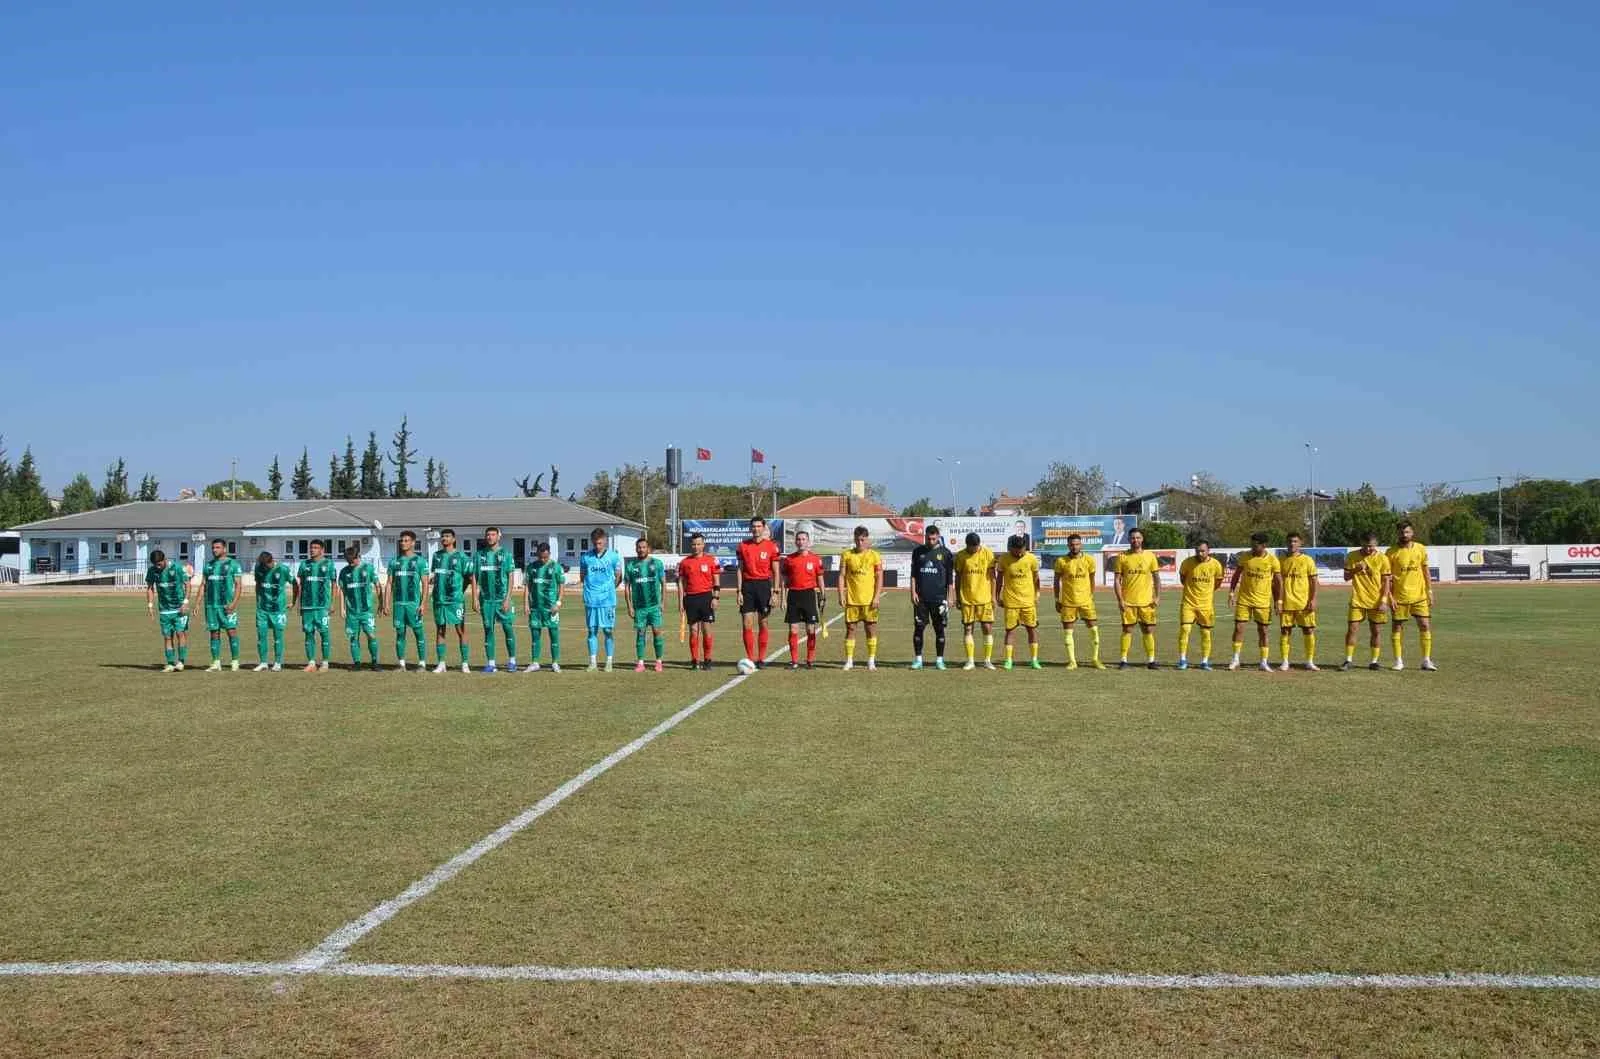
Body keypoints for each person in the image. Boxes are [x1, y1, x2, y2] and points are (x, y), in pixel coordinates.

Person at [1387, 520, 1437, 672]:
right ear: (1398, 533)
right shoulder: (1391, 552)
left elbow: (1425, 571)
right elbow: (1387, 577)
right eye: (1402, 532)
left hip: (1419, 596)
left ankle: (1426, 660)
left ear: (1412, 533)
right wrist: (1390, 596)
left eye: (1407, 532)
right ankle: (1398, 661)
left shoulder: (1420, 548)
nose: (1405, 535)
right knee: (1397, 627)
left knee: (1424, 625)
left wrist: (1429, 591)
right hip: (1399, 597)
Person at [1228, 533, 1282, 672]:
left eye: (1255, 544)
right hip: (1244, 600)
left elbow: (1278, 582)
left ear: (1264, 545)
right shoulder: (1245, 556)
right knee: (1239, 628)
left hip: (1263, 602)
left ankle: (1263, 662)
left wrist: (1278, 601)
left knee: (1263, 631)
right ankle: (1235, 659)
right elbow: (1236, 575)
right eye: (1251, 544)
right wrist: (1232, 592)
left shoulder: (1272, 560)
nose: (1252, 547)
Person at [736, 517, 781, 669]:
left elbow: (776, 571)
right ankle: (750, 659)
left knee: (763, 622)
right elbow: (740, 570)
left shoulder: (771, 547)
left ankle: (761, 659)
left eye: (758, 526)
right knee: (747, 623)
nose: (756, 529)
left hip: (764, 586)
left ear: (763, 528)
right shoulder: (743, 546)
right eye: (753, 526)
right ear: (750, 528)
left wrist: (775, 592)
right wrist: (739, 591)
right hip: (747, 587)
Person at [1053, 533, 1104, 669]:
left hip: (1086, 601)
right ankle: (1072, 661)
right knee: (1068, 631)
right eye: (1071, 544)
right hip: (1068, 602)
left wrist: (1091, 595)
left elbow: (1092, 579)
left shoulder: (1089, 560)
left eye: (1077, 544)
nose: (1074, 547)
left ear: (1081, 545)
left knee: (1094, 629)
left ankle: (1095, 659)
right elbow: (1056, 581)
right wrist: (1057, 599)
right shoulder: (1061, 561)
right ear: (1068, 545)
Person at [1343, 532, 1393, 671]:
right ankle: (1348, 660)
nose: (1368, 549)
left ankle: (1374, 661)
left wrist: (1384, 601)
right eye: (1365, 546)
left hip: (1376, 601)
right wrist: (1355, 570)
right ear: (1361, 543)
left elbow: (1386, 582)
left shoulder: (1383, 559)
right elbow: (1346, 577)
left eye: (1371, 546)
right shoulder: (1352, 556)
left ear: (1376, 545)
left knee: (1376, 631)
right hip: (1357, 600)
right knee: (1352, 629)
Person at [1113, 528, 1161, 669]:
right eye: (1133, 538)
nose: (1135, 540)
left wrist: (1157, 597)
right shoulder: (1122, 557)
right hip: (1128, 602)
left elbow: (1157, 578)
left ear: (1142, 539)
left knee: (1148, 630)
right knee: (1127, 630)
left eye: (1138, 537)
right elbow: (1117, 580)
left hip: (1147, 602)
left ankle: (1151, 661)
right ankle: (1123, 660)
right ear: (1129, 539)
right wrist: (1120, 600)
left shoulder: (1150, 556)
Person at [909, 524, 955, 670]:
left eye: (933, 538)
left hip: (939, 598)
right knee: (918, 628)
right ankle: (918, 660)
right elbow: (913, 575)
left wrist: (950, 597)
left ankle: (940, 660)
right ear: (925, 536)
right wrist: (913, 592)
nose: (931, 541)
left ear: (938, 536)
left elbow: (949, 579)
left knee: (939, 629)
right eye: (928, 538)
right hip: (921, 598)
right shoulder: (917, 552)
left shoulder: (946, 553)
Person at [838, 525, 883, 671]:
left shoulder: (874, 556)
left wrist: (877, 597)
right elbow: (841, 576)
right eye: (857, 539)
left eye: (862, 539)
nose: (859, 542)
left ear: (867, 539)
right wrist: (840, 594)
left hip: (870, 601)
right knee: (850, 629)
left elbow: (879, 577)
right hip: (852, 600)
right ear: (854, 539)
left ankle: (871, 660)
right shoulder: (846, 555)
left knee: (871, 629)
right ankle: (849, 660)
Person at [430, 529, 474, 673]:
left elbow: (470, 577)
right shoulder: (436, 556)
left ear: (454, 539)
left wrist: (461, 591)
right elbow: (436, 576)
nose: (444, 538)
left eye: (447, 536)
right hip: (439, 599)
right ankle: (441, 663)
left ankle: (465, 663)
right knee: (440, 630)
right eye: (443, 536)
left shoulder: (462, 557)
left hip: (455, 600)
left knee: (460, 630)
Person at [995, 534, 1042, 670]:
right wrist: (997, 596)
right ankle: (1008, 660)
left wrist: (1037, 594)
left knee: (1031, 630)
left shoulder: (1031, 558)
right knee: (1010, 631)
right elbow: (999, 579)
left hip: (1028, 602)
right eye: (1017, 550)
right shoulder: (1004, 558)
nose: (1020, 552)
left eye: (1022, 549)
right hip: (1011, 602)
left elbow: (1036, 578)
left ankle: (1034, 660)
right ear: (1011, 548)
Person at [384, 530, 429, 670]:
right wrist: (386, 603)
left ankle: (422, 663)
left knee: (418, 633)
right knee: (400, 633)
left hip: (413, 604)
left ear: (413, 542)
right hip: (398, 604)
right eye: (402, 540)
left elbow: (426, 584)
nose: (403, 543)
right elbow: (389, 583)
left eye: (406, 540)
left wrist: (423, 603)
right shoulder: (394, 561)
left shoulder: (420, 561)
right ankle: (401, 663)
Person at [474, 526, 518, 673]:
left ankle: (512, 661)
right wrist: (475, 598)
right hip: (486, 600)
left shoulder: (506, 554)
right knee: (488, 630)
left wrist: (507, 598)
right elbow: (474, 576)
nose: (490, 537)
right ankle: (491, 663)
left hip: (502, 599)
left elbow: (511, 577)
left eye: (493, 534)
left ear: (499, 537)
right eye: (488, 534)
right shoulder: (479, 555)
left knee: (507, 628)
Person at [781, 529, 825, 669]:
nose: (801, 542)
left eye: (803, 539)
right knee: (793, 629)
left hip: (809, 595)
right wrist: (783, 598)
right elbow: (785, 581)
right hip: (793, 596)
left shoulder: (815, 559)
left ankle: (810, 660)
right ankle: (794, 661)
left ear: (808, 541)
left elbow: (820, 578)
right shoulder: (789, 559)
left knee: (810, 629)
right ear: (795, 542)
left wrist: (823, 595)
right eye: (798, 539)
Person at [581, 528, 624, 671]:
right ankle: (592, 662)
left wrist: (610, 589)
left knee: (607, 630)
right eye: (595, 544)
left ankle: (609, 661)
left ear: (605, 541)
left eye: (599, 543)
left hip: (607, 600)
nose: (597, 546)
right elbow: (583, 575)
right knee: (592, 630)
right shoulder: (586, 557)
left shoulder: (613, 557)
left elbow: (618, 576)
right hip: (591, 599)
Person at [1176, 540, 1223, 671]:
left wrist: (1207, 592)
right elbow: (1183, 579)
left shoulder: (1216, 565)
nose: (1200, 553)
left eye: (1202, 551)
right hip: (1188, 603)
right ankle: (1182, 660)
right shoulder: (1187, 563)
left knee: (1205, 633)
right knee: (1185, 630)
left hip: (1206, 606)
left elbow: (1218, 582)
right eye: (1197, 551)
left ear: (1209, 551)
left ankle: (1205, 661)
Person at [953, 531, 997, 670]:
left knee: (987, 627)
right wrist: (958, 597)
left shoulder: (987, 553)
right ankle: (970, 661)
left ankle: (987, 660)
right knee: (968, 628)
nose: (976, 549)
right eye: (973, 547)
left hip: (984, 599)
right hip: (967, 599)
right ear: (968, 546)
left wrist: (993, 597)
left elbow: (993, 577)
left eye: (977, 546)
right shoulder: (960, 556)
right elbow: (958, 577)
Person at [677, 533, 721, 670]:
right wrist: (681, 601)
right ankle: (695, 660)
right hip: (691, 598)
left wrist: (716, 597)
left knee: (707, 630)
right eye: (694, 544)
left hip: (706, 597)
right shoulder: (685, 562)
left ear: (703, 544)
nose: (696, 547)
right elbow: (681, 583)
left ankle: (707, 660)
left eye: (698, 544)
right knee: (694, 631)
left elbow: (716, 580)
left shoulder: (711, 560)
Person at [1278, 532, 1320, 671]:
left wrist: (1313, 599)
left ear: (1300, 543)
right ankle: (1285, 661)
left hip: (1304, 603)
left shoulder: (1307, 560)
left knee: (1308, 630)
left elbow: (1314, 581)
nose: (1292, 544)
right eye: (1290, 541)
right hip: (1286, 603)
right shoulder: (1281, 560)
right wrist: (1278, 601)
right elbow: (1277, 583)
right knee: (1285, 631)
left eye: (1295, 541)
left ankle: (1309, 661)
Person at [144, 548, 191, 672]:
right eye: (155, 565)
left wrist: (185, 602)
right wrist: (150, 605)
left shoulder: (176, 568)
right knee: (167, 637)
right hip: (164, 609)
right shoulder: (152, 571)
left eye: (159, 564)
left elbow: (187, 584)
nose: (158, 567)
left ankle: (181, 662)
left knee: (180, 634)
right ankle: (170, 663)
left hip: (179, 607)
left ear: (165, 560)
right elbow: (149, 588)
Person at [200, 538, 243, 672]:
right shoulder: (208, 565)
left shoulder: (233, 564)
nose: (214, 550)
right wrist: (197, 604)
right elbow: (203, 585)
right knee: (214, 633)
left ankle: (235, 661)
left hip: (227, 605)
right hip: (211, 605)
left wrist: (234, 603)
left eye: (217, 547)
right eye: (213, 548)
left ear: (225, 549)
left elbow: (238, 585)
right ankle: (216, 662)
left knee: (231, 631)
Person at [625, 537, 667, 672]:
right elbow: (627, 587)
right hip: (639, 607)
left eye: (644, 547)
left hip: (654, 606)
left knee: (657, 632)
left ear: (648, 549)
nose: (641, 549)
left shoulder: (657, 563)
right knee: (641, 633)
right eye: (639, 547)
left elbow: (663, 583)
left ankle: (659, 661)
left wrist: (662, 602)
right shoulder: (631, 566)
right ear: (636, 549)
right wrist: (629, 606)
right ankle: (641, 662)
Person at [337, 545, 381, 670]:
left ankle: (374, 662)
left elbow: (377, 585)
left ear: (359, 557)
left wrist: (381, 604)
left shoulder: (368, 568)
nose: (351, 563)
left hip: (366, 611)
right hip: (352, 612)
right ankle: (357, 663)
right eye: (348, 561)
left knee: (371, 635)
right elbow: (342, 591)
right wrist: (342, 608)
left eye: (353, 560)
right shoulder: (344, 572)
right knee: (353, 637)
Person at [522, 541, 564, 672]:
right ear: (537, 554)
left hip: (551, 608)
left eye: (545, 557)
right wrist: (526, 604)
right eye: (540, 557)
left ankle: (555, 663)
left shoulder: (556, 567)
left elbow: (561, 587)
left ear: (549, 554)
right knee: (535, 635)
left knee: (554, 635)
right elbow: (527, 587)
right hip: (535, 607)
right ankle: (535, 662)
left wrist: (558, 603)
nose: (543, 559)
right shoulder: (531, 567)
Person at [297, 539, 337, 672]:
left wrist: (332, 603)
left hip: (322, 606)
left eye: (315, 547)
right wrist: (299, 603)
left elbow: (334, 585)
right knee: (308, 633)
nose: (312, 550)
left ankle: (325, 663)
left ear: (322, 550)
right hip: (307, 606)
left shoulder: (329, 564)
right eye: (311, 547)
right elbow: (301, 585)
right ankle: (312, 663)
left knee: (324, 633)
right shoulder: (304, 565)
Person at [252, 550, 295, 671]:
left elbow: (296, 584)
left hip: (278, 610)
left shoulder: (283, 569)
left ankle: (277, 663)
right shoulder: (258, 568)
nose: (263, 568)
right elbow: (258, 584)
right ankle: (263, 662)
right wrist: (258, 600)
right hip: (262, 609)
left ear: (271, 562)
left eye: (265, 566)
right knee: (261, 637)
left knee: (278, 637)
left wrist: (294, 601)